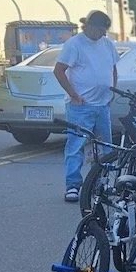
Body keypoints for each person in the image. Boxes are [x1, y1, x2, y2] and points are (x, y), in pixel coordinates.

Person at [53, 10, 119, 203]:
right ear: (89, 26)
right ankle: (73, 185)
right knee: (76, 145)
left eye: (105, 30)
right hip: (82, 105)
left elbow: (113, 67)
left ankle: (102, 182)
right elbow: (59, 71)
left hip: (102, 104)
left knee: (105, 146)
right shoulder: (75, 44)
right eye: (100, 29)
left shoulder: (107, 44)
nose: (103, 34)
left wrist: (113, 90)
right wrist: (74, 95)